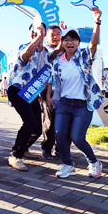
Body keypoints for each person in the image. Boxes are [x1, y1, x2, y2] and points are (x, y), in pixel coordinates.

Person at [49, 7, 104, 179]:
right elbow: (53, 81)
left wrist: (96, 21)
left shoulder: (84, 56)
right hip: (64, 104)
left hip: (82, 105)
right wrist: (49, 97)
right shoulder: (58, 61)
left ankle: (94, 162)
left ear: (78, 43)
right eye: (66, 40)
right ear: (62, 43)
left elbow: (94, 43)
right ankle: (67, 164)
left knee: (77, 137)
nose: (69, 42)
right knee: (59, 134)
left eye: (73, 39)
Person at [7, 22, 51, 171]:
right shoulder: (24, 46)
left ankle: (24, 148)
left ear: (45, 34)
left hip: (32, 93)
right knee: (29, 122)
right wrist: (36, 39)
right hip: (18, 90)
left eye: (41, 31)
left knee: (38, 128)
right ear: (30, 32)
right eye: (34, 31)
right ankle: (15, 155)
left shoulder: (45, 52)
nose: (37, 33)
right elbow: (25, 56)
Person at [28, 24, 63, 159]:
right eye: (52, 35)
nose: (56, 37)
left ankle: (61, 148)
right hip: (49, 91)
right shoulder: (45, 51)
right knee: (50, 120)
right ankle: (47, 147)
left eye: (58, 34)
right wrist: (47, 95)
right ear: (46, 37)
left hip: (66, 91)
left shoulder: (68, 51)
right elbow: (46, 74)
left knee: (65, 121)